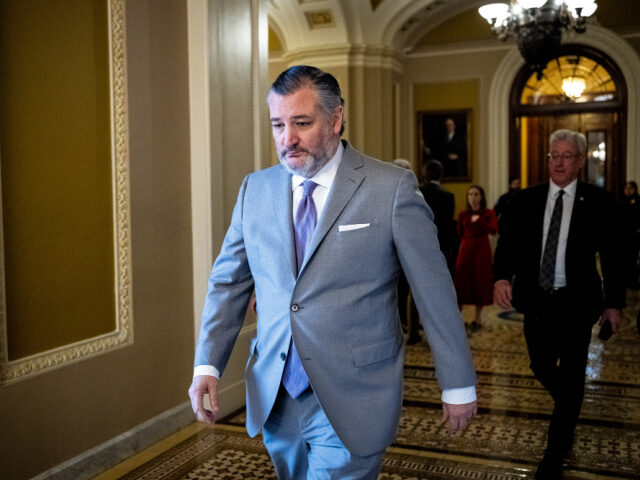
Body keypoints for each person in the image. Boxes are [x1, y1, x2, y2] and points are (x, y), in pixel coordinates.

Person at [188, 65, 477, 479]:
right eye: (277, 124)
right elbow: (228, 283)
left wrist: (457, 382)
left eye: (302, 123)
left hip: (355, 394)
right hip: (277, 395)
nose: (287, 139)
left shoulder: (389, 188)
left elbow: (433, 291)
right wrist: (207, 366)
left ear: (336, 119)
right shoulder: (256, 189)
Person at [493, 129, 625, 480]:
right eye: (554, 155)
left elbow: (613, 256)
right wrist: (501, 277)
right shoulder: (526, 200)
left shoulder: (600, 202)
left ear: (580, 161)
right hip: (536, 302)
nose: (560, 162)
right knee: (540, 364)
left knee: (572, 376)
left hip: (578, 303)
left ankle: (554, 454)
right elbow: (507, 243)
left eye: (567, 155)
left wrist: (614, 304)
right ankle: (569, 406)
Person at [454, 185, 498, 330]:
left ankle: (477, 317)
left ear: (481, 197)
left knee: (480, 280)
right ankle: (458, 315)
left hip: (482, 250)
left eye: (476, 194)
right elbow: (459, 232)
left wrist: (479, 221)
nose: (473, 197)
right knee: (461, 281)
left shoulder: (488, 213)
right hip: (466, 249)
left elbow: (493, 230)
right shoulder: (463, 214)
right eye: (470, 194)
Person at [419, 160, 456, 275]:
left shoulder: (417, 193)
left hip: (419, 245)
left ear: (424, 174)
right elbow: (448, 224)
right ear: (441, 175)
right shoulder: (448, 196)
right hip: (441, 245)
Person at [621, 181, 640, 288]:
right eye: (626, 188)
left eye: (630, 188)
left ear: (635, 189)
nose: (627, 191)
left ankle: (633, 280)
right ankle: (626, 280)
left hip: (634, 235)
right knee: (625, 258)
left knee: (633, 259)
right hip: (625, 234)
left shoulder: (638, 201)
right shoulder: (623, 200)